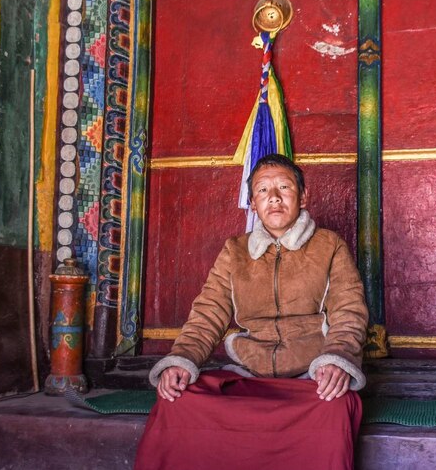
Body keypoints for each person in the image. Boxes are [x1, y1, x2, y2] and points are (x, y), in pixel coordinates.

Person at [135, 154, 368, 470]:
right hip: (248, 374)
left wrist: (336, 359)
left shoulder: (329, 246)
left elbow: (348, 311)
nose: (273, 198)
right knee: (177, 400)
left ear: (303, 197)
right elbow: (208, 313)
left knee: (336, 406)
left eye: (284, 187)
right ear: (253, 204)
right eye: (262, 191)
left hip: (308, 379)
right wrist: (182, 359)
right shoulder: (235, 251)